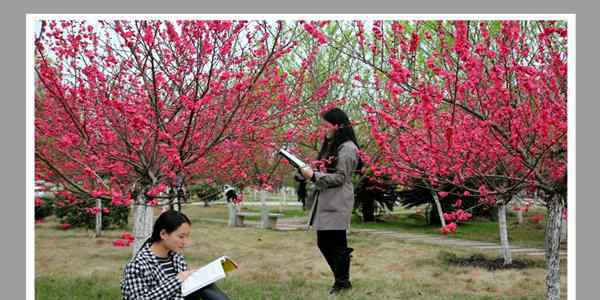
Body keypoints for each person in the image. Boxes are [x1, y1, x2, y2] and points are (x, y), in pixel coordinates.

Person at [299, 107, 362, 295]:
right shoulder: (332, 146)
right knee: (325, 242)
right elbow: (325, 172)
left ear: (337, 126)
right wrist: (305, 173)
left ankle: (342, 282)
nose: (323, 128)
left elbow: (341, 178)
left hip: (338, 200)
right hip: (327, 200)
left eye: (326, 124)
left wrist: (313, 176)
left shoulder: (348, 148)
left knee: (336, 242)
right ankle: (342, 280)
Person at [121, 210, 230, 300]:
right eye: (181, 237)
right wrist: (177, 281)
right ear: (163, 234)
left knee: (206, 286)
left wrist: (197, 276)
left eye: (187, 237)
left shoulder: (177, 258)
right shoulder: (137, 266)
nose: (185, 242)